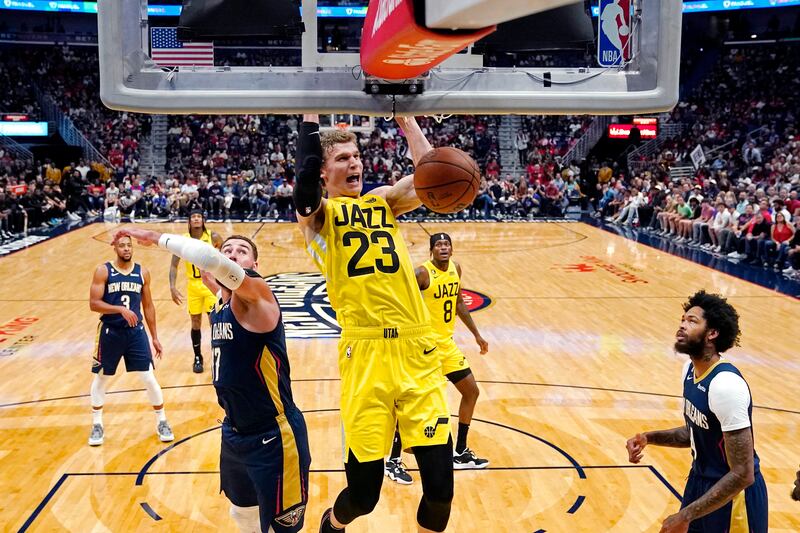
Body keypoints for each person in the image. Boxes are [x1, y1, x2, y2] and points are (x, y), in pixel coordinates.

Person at [294, 115, 454, 533]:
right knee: (364, 496)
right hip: (365, 354)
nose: (354, 163)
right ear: (323, 172)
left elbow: (432, 175)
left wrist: (407, 119)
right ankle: (332, 525)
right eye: (342, 158)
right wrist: (309, 115)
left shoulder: (382, 201)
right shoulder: (317, 218)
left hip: (417, 349)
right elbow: (304, 182)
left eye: (357, 155)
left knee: (440, 492)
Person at [115, 227, 311, 533]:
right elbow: (213, 275)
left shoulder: (258, 296)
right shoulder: (220, 303)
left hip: (274, 435)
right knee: (241, 513)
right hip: (233, 432)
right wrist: (213, 282)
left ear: (254, 265)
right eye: (227, 250)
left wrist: (154, 237)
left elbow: (210, 260)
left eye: (241, 252)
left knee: (280, 529)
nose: (232, 254)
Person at [626, 291, 768, 533]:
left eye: (692, 321)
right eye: (682, 319)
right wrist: (649, 437)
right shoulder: (689, 371)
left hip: (733, 497)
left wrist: (685, 515)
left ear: (712, 333)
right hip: (700, 484)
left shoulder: (725, 385)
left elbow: (743, 473)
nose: (682, 325)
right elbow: (697, 432)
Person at [385, 233, 489, 484]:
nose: (443, 248)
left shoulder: (456, 269)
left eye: (446, 244)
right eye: (438, 245)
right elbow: (400, 300)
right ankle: (393, 460)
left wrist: (477, 335)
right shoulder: (422, 273)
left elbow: (458, 303)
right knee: (411, 403)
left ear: (452, 249)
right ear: (431, 251)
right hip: (424, 348)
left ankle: (460, 451)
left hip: (446, 345)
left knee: (471, 392)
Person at [87, 235, 173, 446]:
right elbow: (94, 303)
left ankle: (162, 421)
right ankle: (97, 424)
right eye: (122, 246)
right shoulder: (103, 271)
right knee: (102, 377)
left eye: (129, 246)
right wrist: (119, 309)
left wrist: (155, 337)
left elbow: (148, 306)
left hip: (136, 333)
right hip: (110, 331)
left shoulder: (142, 272)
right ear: (115, 248)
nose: (126, 249)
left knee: (148, 377)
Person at [169, 210, 223, 373]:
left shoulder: (213, 237)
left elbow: (225, 257)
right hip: (193, 286)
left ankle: (219, 355)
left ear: (203, 220)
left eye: (199, 216)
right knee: (195, 322)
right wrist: (172, 286)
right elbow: (174, 265)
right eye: (193, 217)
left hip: (210, 284)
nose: (196, 219)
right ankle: (198, 357)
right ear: (189, 221)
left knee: (215, 321)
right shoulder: (182, 241)